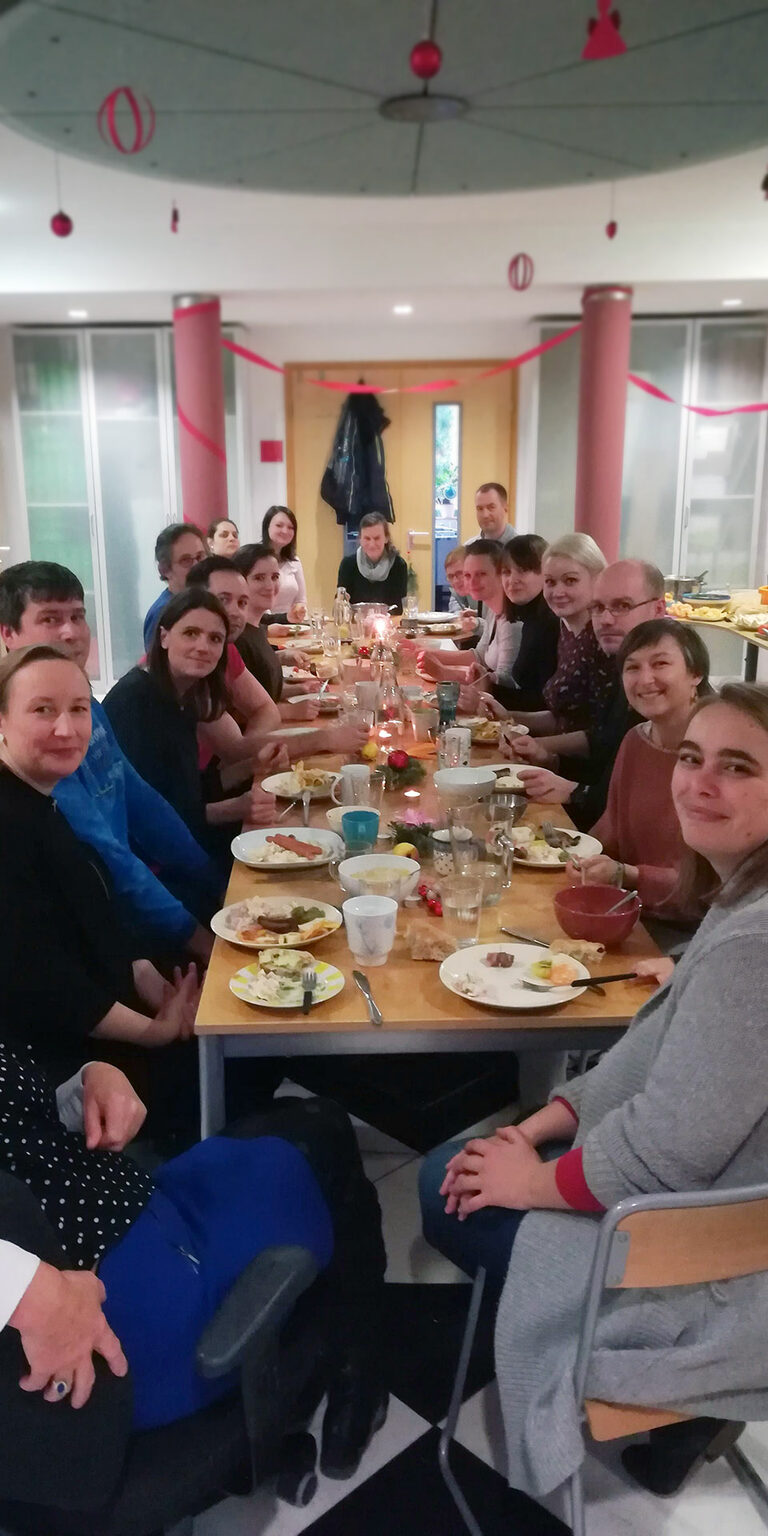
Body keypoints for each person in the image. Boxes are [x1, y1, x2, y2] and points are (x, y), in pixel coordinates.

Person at [420, 681, 768, 1502]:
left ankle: (655, 1392)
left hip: (705, 1254)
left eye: (738, 767)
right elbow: (647, 1058)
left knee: (447, 1188)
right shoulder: (743, 897)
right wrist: (542, 1124)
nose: (698, 783)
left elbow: (667, 1151)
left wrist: (529, 1180)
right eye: (692, 758)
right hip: (713, 1197)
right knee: (484, 1157)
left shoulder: (751, 947)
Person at [0, 1048, 388, 1476]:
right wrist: (28, 1292)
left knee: (300, 1121)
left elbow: (20, 1135)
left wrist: (88, 1083)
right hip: (130, 1298)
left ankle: (347, 1384)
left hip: (129, 1201)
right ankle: (357, 1389)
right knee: (327, 1132)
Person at [0, 561, 218, 964]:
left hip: (134, 901)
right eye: (50, 619)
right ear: (8, 634)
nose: (70, 632)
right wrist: (201, 941)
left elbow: (140, 800)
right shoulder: (31, 740)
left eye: (77, 617)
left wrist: (215, 880)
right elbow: (103, 853)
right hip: (96, 935)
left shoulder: (87, 709)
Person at [0, 646, 200, 1070]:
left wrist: (146, 976)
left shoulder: (41, 799)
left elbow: (88, 921)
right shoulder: (11, 824)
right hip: (69, 1065)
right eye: (42, 710)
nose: (66, 729)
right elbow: (42, 982)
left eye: (78, 708)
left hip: (116, 1001)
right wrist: (155, 1033)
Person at [105, 591, 276, 865]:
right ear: (164, 637)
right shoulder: (134, 703)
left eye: (215, 639)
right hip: (154, 862)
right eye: (190, 633)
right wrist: (239, 806)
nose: (203, 647)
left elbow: (192, 787)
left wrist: (253, 765)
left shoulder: (181, 694)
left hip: (182, 840)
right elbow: (156, 816)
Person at [567, 619, 711, 926]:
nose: (645, 679)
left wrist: (627, 874)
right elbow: (611, 828)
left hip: (690, 930)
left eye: (660, 664)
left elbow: (710, 887)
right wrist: (566, 856)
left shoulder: (717, 756)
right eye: (632, 668)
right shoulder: (636, 740)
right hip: (627, 908)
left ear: (695, 673)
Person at [508, 560, 669, 827]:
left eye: (622, 606)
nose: (605, 619)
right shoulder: (621, 666)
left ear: (658, 609)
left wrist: (575, 791)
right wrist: (549, 759)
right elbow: (605, 750)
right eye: (597, 608)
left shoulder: (666, 686)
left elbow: (649, 801)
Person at [464, 535, 560, 714]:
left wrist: (489, 690)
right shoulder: (527, 617)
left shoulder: (550, 623)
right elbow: (523, 688)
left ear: (545, 572)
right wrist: (489, 680)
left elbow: (542, 704)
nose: (512, 579)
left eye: (522, 570)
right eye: (506, 572)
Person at [417, 542, 521, 694]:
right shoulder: (494, 612)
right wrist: (423, 653)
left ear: (501, 574)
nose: (472, 581)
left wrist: (444, 673)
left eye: (481, 574)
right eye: (468, 575)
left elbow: (505, 685)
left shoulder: (512, 621)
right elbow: (478, 656)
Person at [143, 523, 206, 650]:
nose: (197, 566)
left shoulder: (204, 603)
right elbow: (157, 666)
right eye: (186, 560)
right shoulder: (162, 613)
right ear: (165, 570)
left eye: (200, 557)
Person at [337, 513, 409, 612]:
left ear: (386, 538)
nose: (372, 544)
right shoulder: (348, 565)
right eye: (367, 538)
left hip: (387, 624)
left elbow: (398, 609)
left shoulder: (398, 566)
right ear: (360, 539)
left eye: (377, 538)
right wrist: (341, 600)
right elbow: (341, 603)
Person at [262, 505, 307, 613]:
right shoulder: (255, 559)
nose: (285, 531)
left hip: (291, 625)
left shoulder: (294, 561)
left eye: (291, 527)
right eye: (279, 525)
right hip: (263, 624)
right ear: (267, 526)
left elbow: (301, 600)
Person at [444, 545, 478, 615]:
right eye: (450, 576)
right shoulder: (459, 590)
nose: (455, 581)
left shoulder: (486, 589)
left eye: (459, 574)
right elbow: (455, 610)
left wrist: (478, 615)